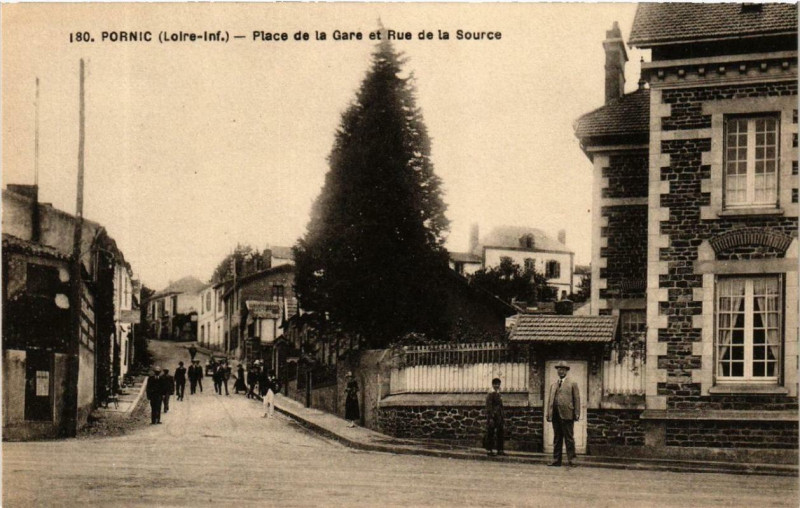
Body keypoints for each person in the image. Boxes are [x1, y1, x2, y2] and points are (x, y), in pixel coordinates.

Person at [546, 361, 581, 467]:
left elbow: (577, 399)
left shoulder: (572, 384)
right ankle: (556, 460)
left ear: (566, 371)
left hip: (567, 414)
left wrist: (577, 413)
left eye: (563, 369)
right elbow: (550, 401)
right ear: (557, 371)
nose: (561, 371)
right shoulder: (554, 385)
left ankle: (572, 460)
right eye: (559, 369)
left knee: (569, 438)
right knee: (557, 438)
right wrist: (549, 413)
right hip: (555, 415)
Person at [485, 377, 505, 456]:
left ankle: (500, 450)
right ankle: (489, 450)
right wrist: (491, 417)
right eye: (495, 384)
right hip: (492, 417)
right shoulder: (490, 394)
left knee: (500, 433)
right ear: (492, 385)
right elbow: (489, 406)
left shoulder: (498, 393)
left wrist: (502, 415)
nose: (497, 386)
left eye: (498, 384)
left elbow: (500, 406)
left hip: (499, 416)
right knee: (491, 433)